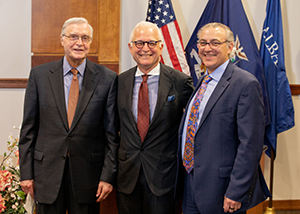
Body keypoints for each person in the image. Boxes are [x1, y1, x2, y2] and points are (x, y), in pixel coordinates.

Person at [19, 17, 118, 214]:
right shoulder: (39, 76)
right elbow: (28, 130)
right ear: (62, 39)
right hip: (46, 175)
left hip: (88, 177)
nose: (79, 43)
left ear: (90, 43)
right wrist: (26, 174)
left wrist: (107, 177)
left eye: (85, 38)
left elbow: (112, 136)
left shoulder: (107, 79)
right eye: (73, 37)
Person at [176, 22, 271, 214]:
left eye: (214, 43)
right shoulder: (203, 81)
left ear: (230, 47)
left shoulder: (245, 84)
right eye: (203, 43)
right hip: (191, 182)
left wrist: (237, 191)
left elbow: (250, 145)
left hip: (222, 189)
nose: (207, 48)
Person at [116, 21, 194, 214]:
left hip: (163, 176)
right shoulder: (119, 82)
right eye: (139, 43)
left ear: (161, 46)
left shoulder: (180, 82)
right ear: (130, 47)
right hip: (127, 177)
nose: (145, 49)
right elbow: (112, 128)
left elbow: (193, 125)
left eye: (151, 43)